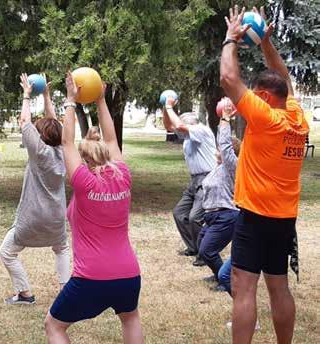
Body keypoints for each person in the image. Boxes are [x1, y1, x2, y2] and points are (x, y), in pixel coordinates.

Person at [220, 6, 309, 344]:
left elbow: (229, 79)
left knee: (244, 286)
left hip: (256, 216)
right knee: (278, 285)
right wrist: (266, 44)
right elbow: (283, 78)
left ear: (266, 98)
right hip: (284, 218)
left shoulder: (267, 118)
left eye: (258, 94)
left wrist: (231, 38)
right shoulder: (297, 117)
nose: (253, 98)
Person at [44, 71, 143, 344]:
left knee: (53, 326)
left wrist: (70, 101)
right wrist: (100, 100)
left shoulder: (85, 183)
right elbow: (111, 141)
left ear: (85, 161)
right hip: (128, 274)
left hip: (92, 277)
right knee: (130, 318)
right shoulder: (124, 176)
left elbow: (66, 142)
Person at [0, 73, 69, 305]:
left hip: (32, 219)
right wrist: (47, 95)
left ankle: (25, 293)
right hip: (56, 218)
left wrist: (27, 96)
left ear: (40, 137)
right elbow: (55, 124)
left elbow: (25, 122)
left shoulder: (38, 152)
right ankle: (66, 291)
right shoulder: (64, 151)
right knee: (61, 249)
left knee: (7, 252)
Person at [162, 99, 217, 266]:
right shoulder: (188, 134)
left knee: (195, 217)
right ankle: (193, 247)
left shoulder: (201, 130)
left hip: (207, 178)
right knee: (179, 213)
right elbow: (169, 126)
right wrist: (165, 108)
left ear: (192, 122)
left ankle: (204, 253)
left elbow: (178, 126)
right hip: (194, 180)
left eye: (182, 120)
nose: (179, 123)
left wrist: (171, 107)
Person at [198, 98, 241, 288]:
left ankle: (226, 279)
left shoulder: (233, 166)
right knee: (203, 246)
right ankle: (220, 273)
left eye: (221, 150)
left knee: (207, 251)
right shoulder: (218, 167)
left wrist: (225, 119)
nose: (217, 151)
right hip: (213, 215)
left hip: (227, 215)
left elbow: (224, 144)